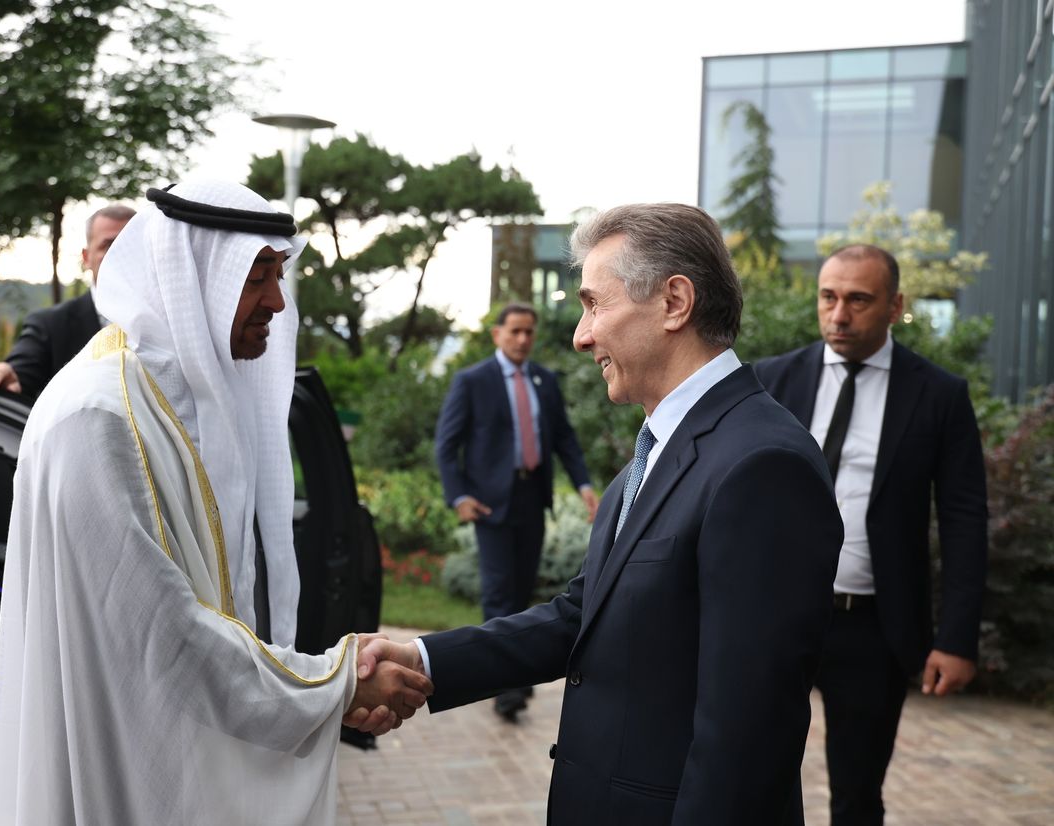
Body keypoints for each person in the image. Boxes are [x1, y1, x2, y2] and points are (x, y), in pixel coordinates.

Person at [363, 203, 844, 824]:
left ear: (674, 302)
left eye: (595, 304)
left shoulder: (762, 465)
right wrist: (423, 661)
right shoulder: (653, 455)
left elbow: (749, 732)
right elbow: (583, 618)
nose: (581, 335)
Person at [0, 176, 432, 826]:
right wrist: (336, 683)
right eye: (256, 276)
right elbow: (161, 637)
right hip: (114, 765)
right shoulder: (100, 415)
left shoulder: (163, 401)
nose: (277, 301)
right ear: (191, 277)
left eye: (279, 275)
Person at [754, 244, 988, 826]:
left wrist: (957, 639)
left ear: (895, 305)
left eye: (858, 300)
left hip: (872, 627)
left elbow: (964, 519)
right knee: (748, 780)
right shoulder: (770, 380)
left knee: (857, 797)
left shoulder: (938, 394)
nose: (839, 315)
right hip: (771, 617)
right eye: (828, 297)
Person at [434, 302, 597, 722]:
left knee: (522, 593)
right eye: (515, 331)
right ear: (497, 334)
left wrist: (583, 486)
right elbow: (446, 445)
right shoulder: (472, 381)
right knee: (499, 593)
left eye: (529, 332)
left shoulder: (544, 380)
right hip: (491, 505)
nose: (523, 339)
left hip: (532, 499)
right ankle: (506, 691)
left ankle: (516, 677)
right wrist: (459, 497)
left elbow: (564, 439)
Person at [0, 204, 135, 401]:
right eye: (109, 245)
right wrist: (3, 373)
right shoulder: (50, 326)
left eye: (131, 245)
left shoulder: (164, 321)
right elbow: (19, 376)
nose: (121, 254)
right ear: (86, 257)